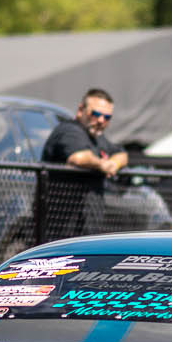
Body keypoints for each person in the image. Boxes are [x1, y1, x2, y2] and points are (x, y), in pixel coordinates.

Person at [41, 88, 126, 235]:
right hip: (61, 228)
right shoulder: (70, 131)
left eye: (107, 117)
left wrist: (114, 164)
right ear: (81, 110)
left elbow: (122, 154)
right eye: (96, 114)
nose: (101, 120)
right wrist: (101, 164)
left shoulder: (97, 138)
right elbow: (78, 157)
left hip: (85, 230)